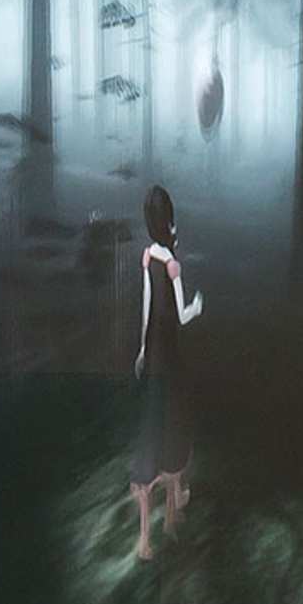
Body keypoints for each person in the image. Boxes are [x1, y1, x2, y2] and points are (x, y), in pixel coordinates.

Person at [128, 185, 204, 561]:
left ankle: (147, 537)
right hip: (171, 358)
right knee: (175, 423)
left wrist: (142, 350)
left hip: (154, 354)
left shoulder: (147, 259)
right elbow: (181, 315)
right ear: (168, 221)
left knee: (154, 421)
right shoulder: (172, 264)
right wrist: (198, 305)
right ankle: (174, 507)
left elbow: (146, 311)